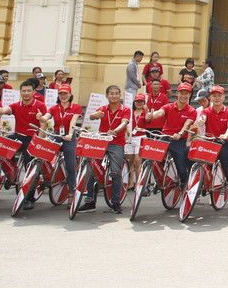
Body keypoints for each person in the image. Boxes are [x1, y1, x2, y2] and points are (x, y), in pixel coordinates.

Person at [0, 78, 48, 209]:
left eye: (28, 91)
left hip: (31, 138)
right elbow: (4, 110)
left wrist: (39, 141)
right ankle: (10, 172)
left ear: (33, 92)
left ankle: (29, 198)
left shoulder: (40, 106)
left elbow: (44, 123)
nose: (26, 93)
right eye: (23, 91)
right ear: (20, 92)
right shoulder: (16, 105)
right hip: (17, 136)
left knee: (29, 166)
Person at [79, 85, 131, 213]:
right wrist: (94, 115)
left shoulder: (125, 109)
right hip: (101, 141)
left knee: (115, 172)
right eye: (111, 93)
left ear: (120, 96)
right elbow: (92, 116)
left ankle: (115, 202)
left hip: (116, 142)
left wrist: (115, 131)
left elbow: (124, 123)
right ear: (107, 96)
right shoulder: (103, 109)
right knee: (92, 169)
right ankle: (90, 200)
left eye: (116, 93)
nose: (114, 96)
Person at [143, 82, 197, 191]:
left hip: (179, 140)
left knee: (181, 169)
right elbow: (160, 113)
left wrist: (180, 133)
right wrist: (151, 115)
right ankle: (160, 180)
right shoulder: (169, 106)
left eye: (186, 93)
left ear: (189, 95)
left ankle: (185, 187)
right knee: (152, 157)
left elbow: (187, 124)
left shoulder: (192, 111)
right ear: (177, 93)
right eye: (181, 93)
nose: (183, 96)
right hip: (165, 137)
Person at [198, 85, 228, 205]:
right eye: (214, 96)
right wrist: (201, 120)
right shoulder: (206, 111)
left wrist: (226, 135)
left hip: (224, 143)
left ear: (224, 97)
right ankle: (200, 191)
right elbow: (203, 117)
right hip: (210, 143)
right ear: (210, 98)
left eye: (219, 96)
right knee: (200, 165)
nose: (217, 98)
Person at [41, 84, 82, 192]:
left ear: (70, 94)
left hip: (69, 136)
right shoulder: (54, 108)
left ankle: (71, 193)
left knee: (70, 167)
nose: (63, 96)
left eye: (65, 93)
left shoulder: (76, 107)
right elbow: (46, 117)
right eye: (61, 94)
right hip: (57, 135)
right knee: (43, 155)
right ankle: (42, 178)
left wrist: (70, 134)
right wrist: (41, 118)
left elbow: (74, 121)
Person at [126, 93, 148, 183]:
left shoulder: (145, 112)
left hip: (141, 137)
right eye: (137, 101)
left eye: (141, 102)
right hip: (130, 137)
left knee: (138, 161)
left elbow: (148, 120)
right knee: (130, 160)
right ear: (134, 102)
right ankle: (130, 181)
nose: (139, 103)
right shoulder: (130, 112)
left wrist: (147, 111)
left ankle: (138, 183)